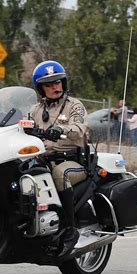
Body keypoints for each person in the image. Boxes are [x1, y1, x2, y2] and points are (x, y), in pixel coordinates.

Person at [29, 60, 88, 257]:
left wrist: (61, 129)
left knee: (58, 174)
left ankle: (70, 230)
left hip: (70, 162)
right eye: (49, 84)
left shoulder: (74, 106)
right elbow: (18, 127)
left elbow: (80, 130)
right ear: (41, 88)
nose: (55, 87)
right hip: (42, 159)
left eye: (58, 82)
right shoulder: (35, 110)